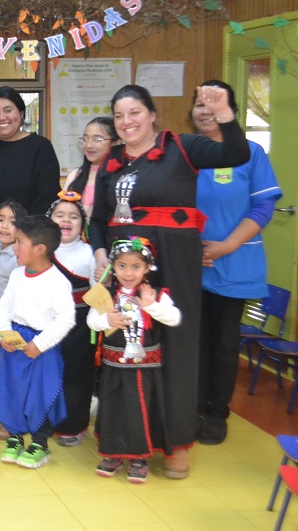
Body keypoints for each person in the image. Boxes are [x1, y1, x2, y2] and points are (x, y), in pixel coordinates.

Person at [89, 83, 250, 479]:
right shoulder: (110, 160)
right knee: (123, 344)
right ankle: (121, 439)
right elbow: (97, 219)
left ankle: (176, 444)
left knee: (176, 347)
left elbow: (235, 152)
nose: (127, 122)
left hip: (174, 263)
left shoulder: (183, 146)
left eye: (135, 113)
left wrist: (224, 113)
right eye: (120, 115)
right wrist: (99, 252)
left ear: (152, 114)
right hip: (123, 266)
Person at [192, 79, 282, 445]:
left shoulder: (251, 153)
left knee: (224, 342)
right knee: (193, 340)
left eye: (215, 103)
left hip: (235, 262)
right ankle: (193, 407)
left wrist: (226, 245)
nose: (206, 110)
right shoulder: (187, 152)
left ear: (230, 112)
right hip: (192, 265)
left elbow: (263, 206)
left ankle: (216, 413)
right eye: (200, 103)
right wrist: (193, 249)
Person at [88, 237, 182, 484]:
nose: (128, 273)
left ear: (147, 268)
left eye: (135, 267)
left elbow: (174, 318)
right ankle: (112, 453)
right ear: (113, 266)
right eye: (121, 266)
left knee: (139, 410)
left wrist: (151, 307)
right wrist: (107, 321)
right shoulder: (105, 293)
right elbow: (91, 321)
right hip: (113, 367)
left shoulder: (156, 295)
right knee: (113, 409)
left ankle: (140, 457)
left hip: (144, 368)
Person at [0, 216, 75, 469]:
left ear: (40, 249)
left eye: (20, 242)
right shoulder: (18, 274)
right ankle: (16, 437)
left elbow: (65, 319)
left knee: (41, 393)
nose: (15, 246)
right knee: (13, 391)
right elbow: (6, 303)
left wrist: (41, 344)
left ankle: (40, 443)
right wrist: (4, 331)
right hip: (15, 342)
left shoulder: (58, 281)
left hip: (41, 347)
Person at [0, 86, 61, 215]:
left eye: (8, 110)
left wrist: (23, 230)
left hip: (28, 231)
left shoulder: (40, 148)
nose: (2, 117)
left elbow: (47, 198)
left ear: (22, 113)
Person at [47, 192, 96, 446]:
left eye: (73, 216)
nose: (66, 221)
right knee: (46, 370)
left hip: (79, 323)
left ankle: (73, 424)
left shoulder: (89, 253)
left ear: (82, 223)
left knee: (76, 375)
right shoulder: (41, 249)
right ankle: (42, 421)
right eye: (60, 215)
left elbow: (98, 291)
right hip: (46, 320)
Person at [0, 201, 27, 409]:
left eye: (12, 222)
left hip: (14, 320)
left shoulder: (19, 255)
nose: (4, 226)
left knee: (10, 360)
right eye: (0, 220)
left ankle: (12, 401)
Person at [63, 117, 117, 218]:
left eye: (97, 139)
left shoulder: (121, 175)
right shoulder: (75, 175)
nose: (89, 145)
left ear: (115, 143)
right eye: (85, 139)